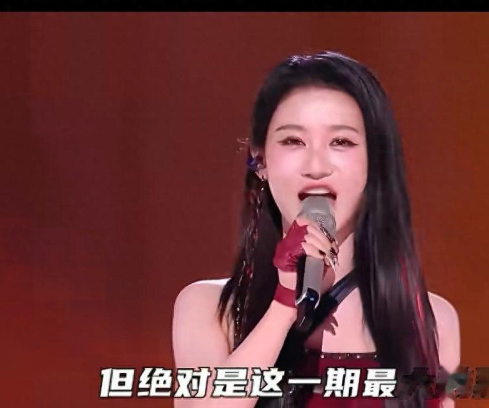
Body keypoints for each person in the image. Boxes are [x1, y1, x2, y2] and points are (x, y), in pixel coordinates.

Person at [173, 51, 460, 408]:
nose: (316, 166)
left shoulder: (430, 320)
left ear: (375, 162)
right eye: (293, 141)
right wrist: (284, 305)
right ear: (260, 160)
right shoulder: (210, 308)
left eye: (341, 142)